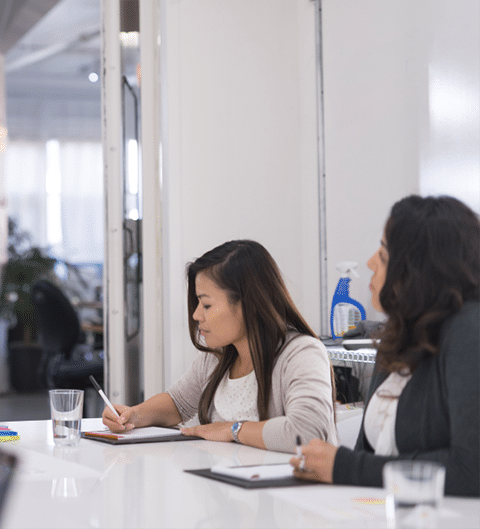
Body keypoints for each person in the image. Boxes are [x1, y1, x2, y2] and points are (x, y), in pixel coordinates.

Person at [293, 195, 479, 496]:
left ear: (417, 269)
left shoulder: (469, 330)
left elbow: (472, 469)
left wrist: (343, 467)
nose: (370, 263)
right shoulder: (397, 336)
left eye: (382, 255)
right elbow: (367, 456)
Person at [101, 240, 337, 453]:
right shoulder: (217, 357)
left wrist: (233, 430)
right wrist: (134, 415)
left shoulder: (302, 354)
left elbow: (306, 433)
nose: (196, 315)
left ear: (248, 304)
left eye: (206, 305)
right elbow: (178, 403)